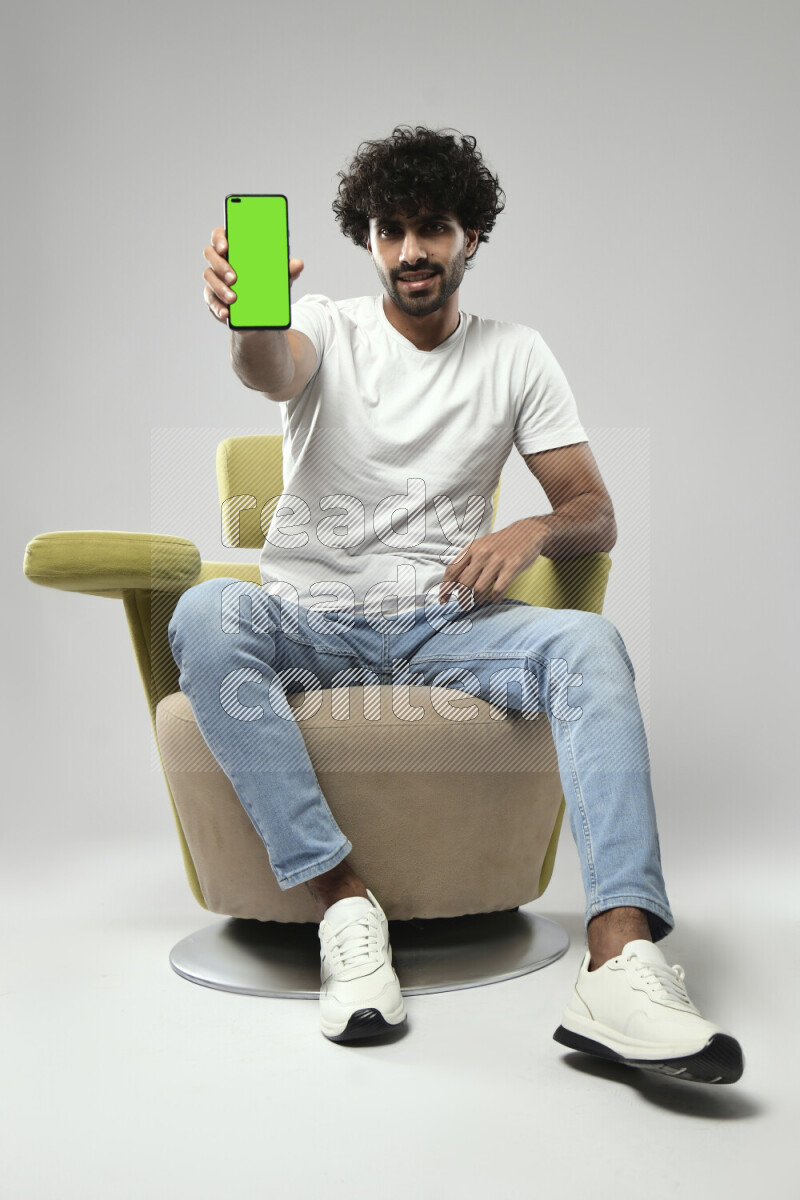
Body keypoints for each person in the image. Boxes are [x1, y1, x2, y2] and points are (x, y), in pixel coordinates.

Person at [172, 125, 743, 1083]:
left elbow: (595, 513)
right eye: (389, 231)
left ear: (470, 235)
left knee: (590, 645)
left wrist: (528, 531)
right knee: (204, 614)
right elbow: (269, 367)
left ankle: (621, 958)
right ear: (368, 239)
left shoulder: (516, 356)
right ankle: (344, 908)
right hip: (310, 618)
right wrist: (248, 322)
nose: (410, 253)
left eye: (431, 228)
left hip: (448, 626)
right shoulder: (325, 325)